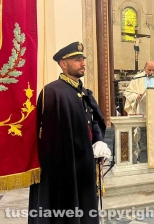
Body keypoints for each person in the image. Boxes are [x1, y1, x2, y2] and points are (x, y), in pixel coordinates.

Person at [28, 42, 111, 224]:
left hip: (85, 163)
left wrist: (99, 141)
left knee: (86, 208)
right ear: (63, 64)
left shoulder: (85, 92)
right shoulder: (53, 92)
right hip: (65, 168)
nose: (83, 63)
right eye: (77, 60)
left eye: (83, 59)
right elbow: (49, 138)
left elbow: (95, 120)